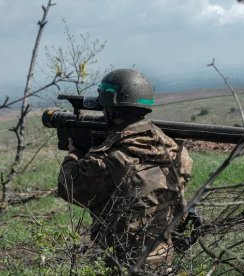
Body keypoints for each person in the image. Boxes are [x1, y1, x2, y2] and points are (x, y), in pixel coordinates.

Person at [58, 69, 193, 274]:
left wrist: (74, 155)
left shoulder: (110, 159)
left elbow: (68, 187)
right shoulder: (175, 150)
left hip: (121, 261)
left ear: (109, 109)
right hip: (163, 255)